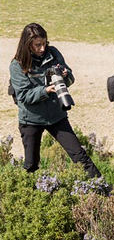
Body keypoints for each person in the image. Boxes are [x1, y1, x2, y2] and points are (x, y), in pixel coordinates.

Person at [9, 23, 100, 177]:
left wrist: (65, 76)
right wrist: (45, 90)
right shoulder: (17, 65)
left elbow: (70, 77)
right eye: (37, 45)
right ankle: (30, 196)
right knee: (31, 165)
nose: (42, 48)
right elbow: (24, 96)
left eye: (44, 43)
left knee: (80, 156)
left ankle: (104, 190)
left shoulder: (54, 53)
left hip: (56, 115)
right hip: (31, 119)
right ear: (27, 44)